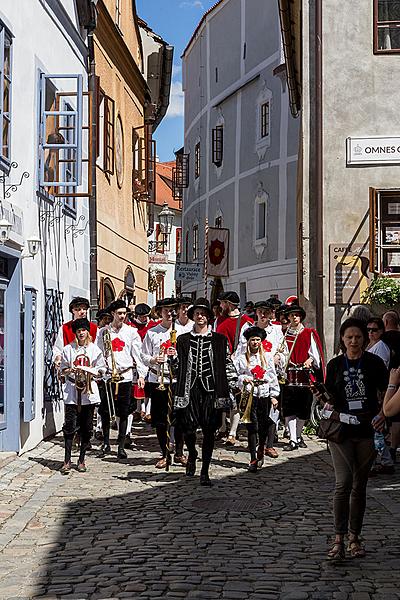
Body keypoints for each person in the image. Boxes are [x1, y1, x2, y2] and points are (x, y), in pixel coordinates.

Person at [315, 317, 388, 560]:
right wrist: (321, 396)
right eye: (349, 337)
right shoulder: (335, 365)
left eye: (358, 337)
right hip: (341, 432)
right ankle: (338, 538)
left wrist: (382, 415)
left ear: (365, 339)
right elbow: (330, 399)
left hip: (367, 430)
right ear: (343, 340)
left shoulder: (375, 363)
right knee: (343, 483)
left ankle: (355, 537)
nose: (354, 341)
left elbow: (387, 392)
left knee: (359, 486)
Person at [174, 298, 237, 486]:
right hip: (189, 390)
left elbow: (226, 363)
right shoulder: (183, 340)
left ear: (208, 317)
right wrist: (169, 360)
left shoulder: (219, 340)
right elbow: (178, 366)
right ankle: (192, 453)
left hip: (212, 391)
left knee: (210, 431)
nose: (200, 316)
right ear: (192, 316)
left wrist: (233, 383)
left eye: (203, 313)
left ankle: (205, 471)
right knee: (188, 428)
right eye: (196, 313)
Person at [97, 299, 146, 460]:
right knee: (105, 411)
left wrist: (141, 374)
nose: (122, 316)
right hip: (108, 375)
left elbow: (137, 354)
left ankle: (121, 444)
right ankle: (105, 442)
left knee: (124, 412)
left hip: (125, 375)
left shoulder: (131, 332)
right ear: (112, 314)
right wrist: (101, 370)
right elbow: (99, 353)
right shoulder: (103, 332)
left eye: (124, 313)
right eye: (119, 313)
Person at [141, 298, 187, 468]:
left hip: (176, 379)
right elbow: (143, 356)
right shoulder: (152, 332)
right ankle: (165, 453)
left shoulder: (183, 331)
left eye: (172, 310)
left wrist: (178, 355)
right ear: (160, 312)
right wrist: (154, 359)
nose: (169, 313)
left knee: (179, 418)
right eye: (166, 310)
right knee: (161, 419)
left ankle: (180, 453)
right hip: (158, 379)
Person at [60, 319, 106, 474]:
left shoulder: (94, 350)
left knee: (86, 427)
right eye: (78, 331)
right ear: (75, 333)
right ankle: (67, 460)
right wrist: (70, 370)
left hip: (88, 391)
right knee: (70, 427)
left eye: (83, 330)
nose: (81, 333)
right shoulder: (68, 349)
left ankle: (81, 459)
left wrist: (93, 371)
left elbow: (102, 369)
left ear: (88, 332)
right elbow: (62, 370)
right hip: (72, 391)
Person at [233, 327, 280, 471]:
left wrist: (273, 395)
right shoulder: (241, 358)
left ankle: (261, 447)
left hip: (264, 394)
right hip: (249, 394)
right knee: (252, 425)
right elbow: (236, 376)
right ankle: (253, 457)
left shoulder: (266, 357)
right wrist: (244, 379)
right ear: (248, 342)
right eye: (252, 340)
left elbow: (272, 377)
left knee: (263, 424)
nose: (255, 342)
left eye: (257, 340)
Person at [281, 304, 324, 451]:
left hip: (304, 377)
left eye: (296, 315)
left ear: (300, 317)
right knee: (290, 408)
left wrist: (310, 360)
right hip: (289, 376)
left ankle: (298, 436)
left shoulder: (308, 333)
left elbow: (315, 354)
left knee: (303, 410)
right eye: (291, 315)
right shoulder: (284, 334)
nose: (294, 317)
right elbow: (281, 353)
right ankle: (292, 439)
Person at [216, 291, 253, 445]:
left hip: (236, 364)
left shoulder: (245, 322)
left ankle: (232, 432)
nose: (220, 306)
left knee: (235, 399)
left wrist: (235, 358)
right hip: (219, 363)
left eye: (222, 303)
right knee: (221, 397)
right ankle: (222, 427)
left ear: (229, 304)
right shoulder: (219, 320)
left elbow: (246, 345)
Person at [53, 297, 98, 367]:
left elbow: (98, 349)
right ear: (73, 311)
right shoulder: (65, 328)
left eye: (84, 309)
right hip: (70, 368)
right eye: (78, 309)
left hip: (89, 368)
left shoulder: (94, 328)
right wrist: (58, 358)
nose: (82, 311)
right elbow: (58, 348)